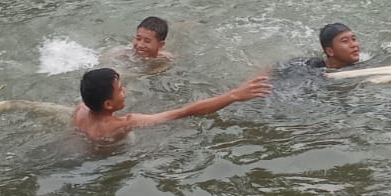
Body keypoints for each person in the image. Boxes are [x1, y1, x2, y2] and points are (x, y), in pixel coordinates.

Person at [72, 68, 271, 141]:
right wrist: (234, 95)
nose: (125, 92)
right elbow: (184, 112)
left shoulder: (81, 110)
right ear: (108, 104)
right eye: (121, 89)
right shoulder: (123, 123)